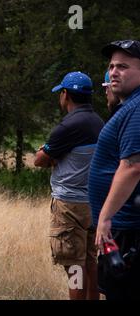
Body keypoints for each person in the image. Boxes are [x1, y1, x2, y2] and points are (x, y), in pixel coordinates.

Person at [34, 71, 104, 300]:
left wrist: (53, 155)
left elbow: (39, 160)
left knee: (74, 268)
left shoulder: (67, 127)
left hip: (68, 206)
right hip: (93, 203)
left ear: (65, 95)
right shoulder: (98, 121)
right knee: (91, 262)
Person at [89, 39, 140, 300]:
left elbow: (133, 167)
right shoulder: (129, 107)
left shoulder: (137, 108)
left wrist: (105, 217)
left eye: (123, 66)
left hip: (126, 229)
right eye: (111, 66)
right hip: (121, 227)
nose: (113, 72)